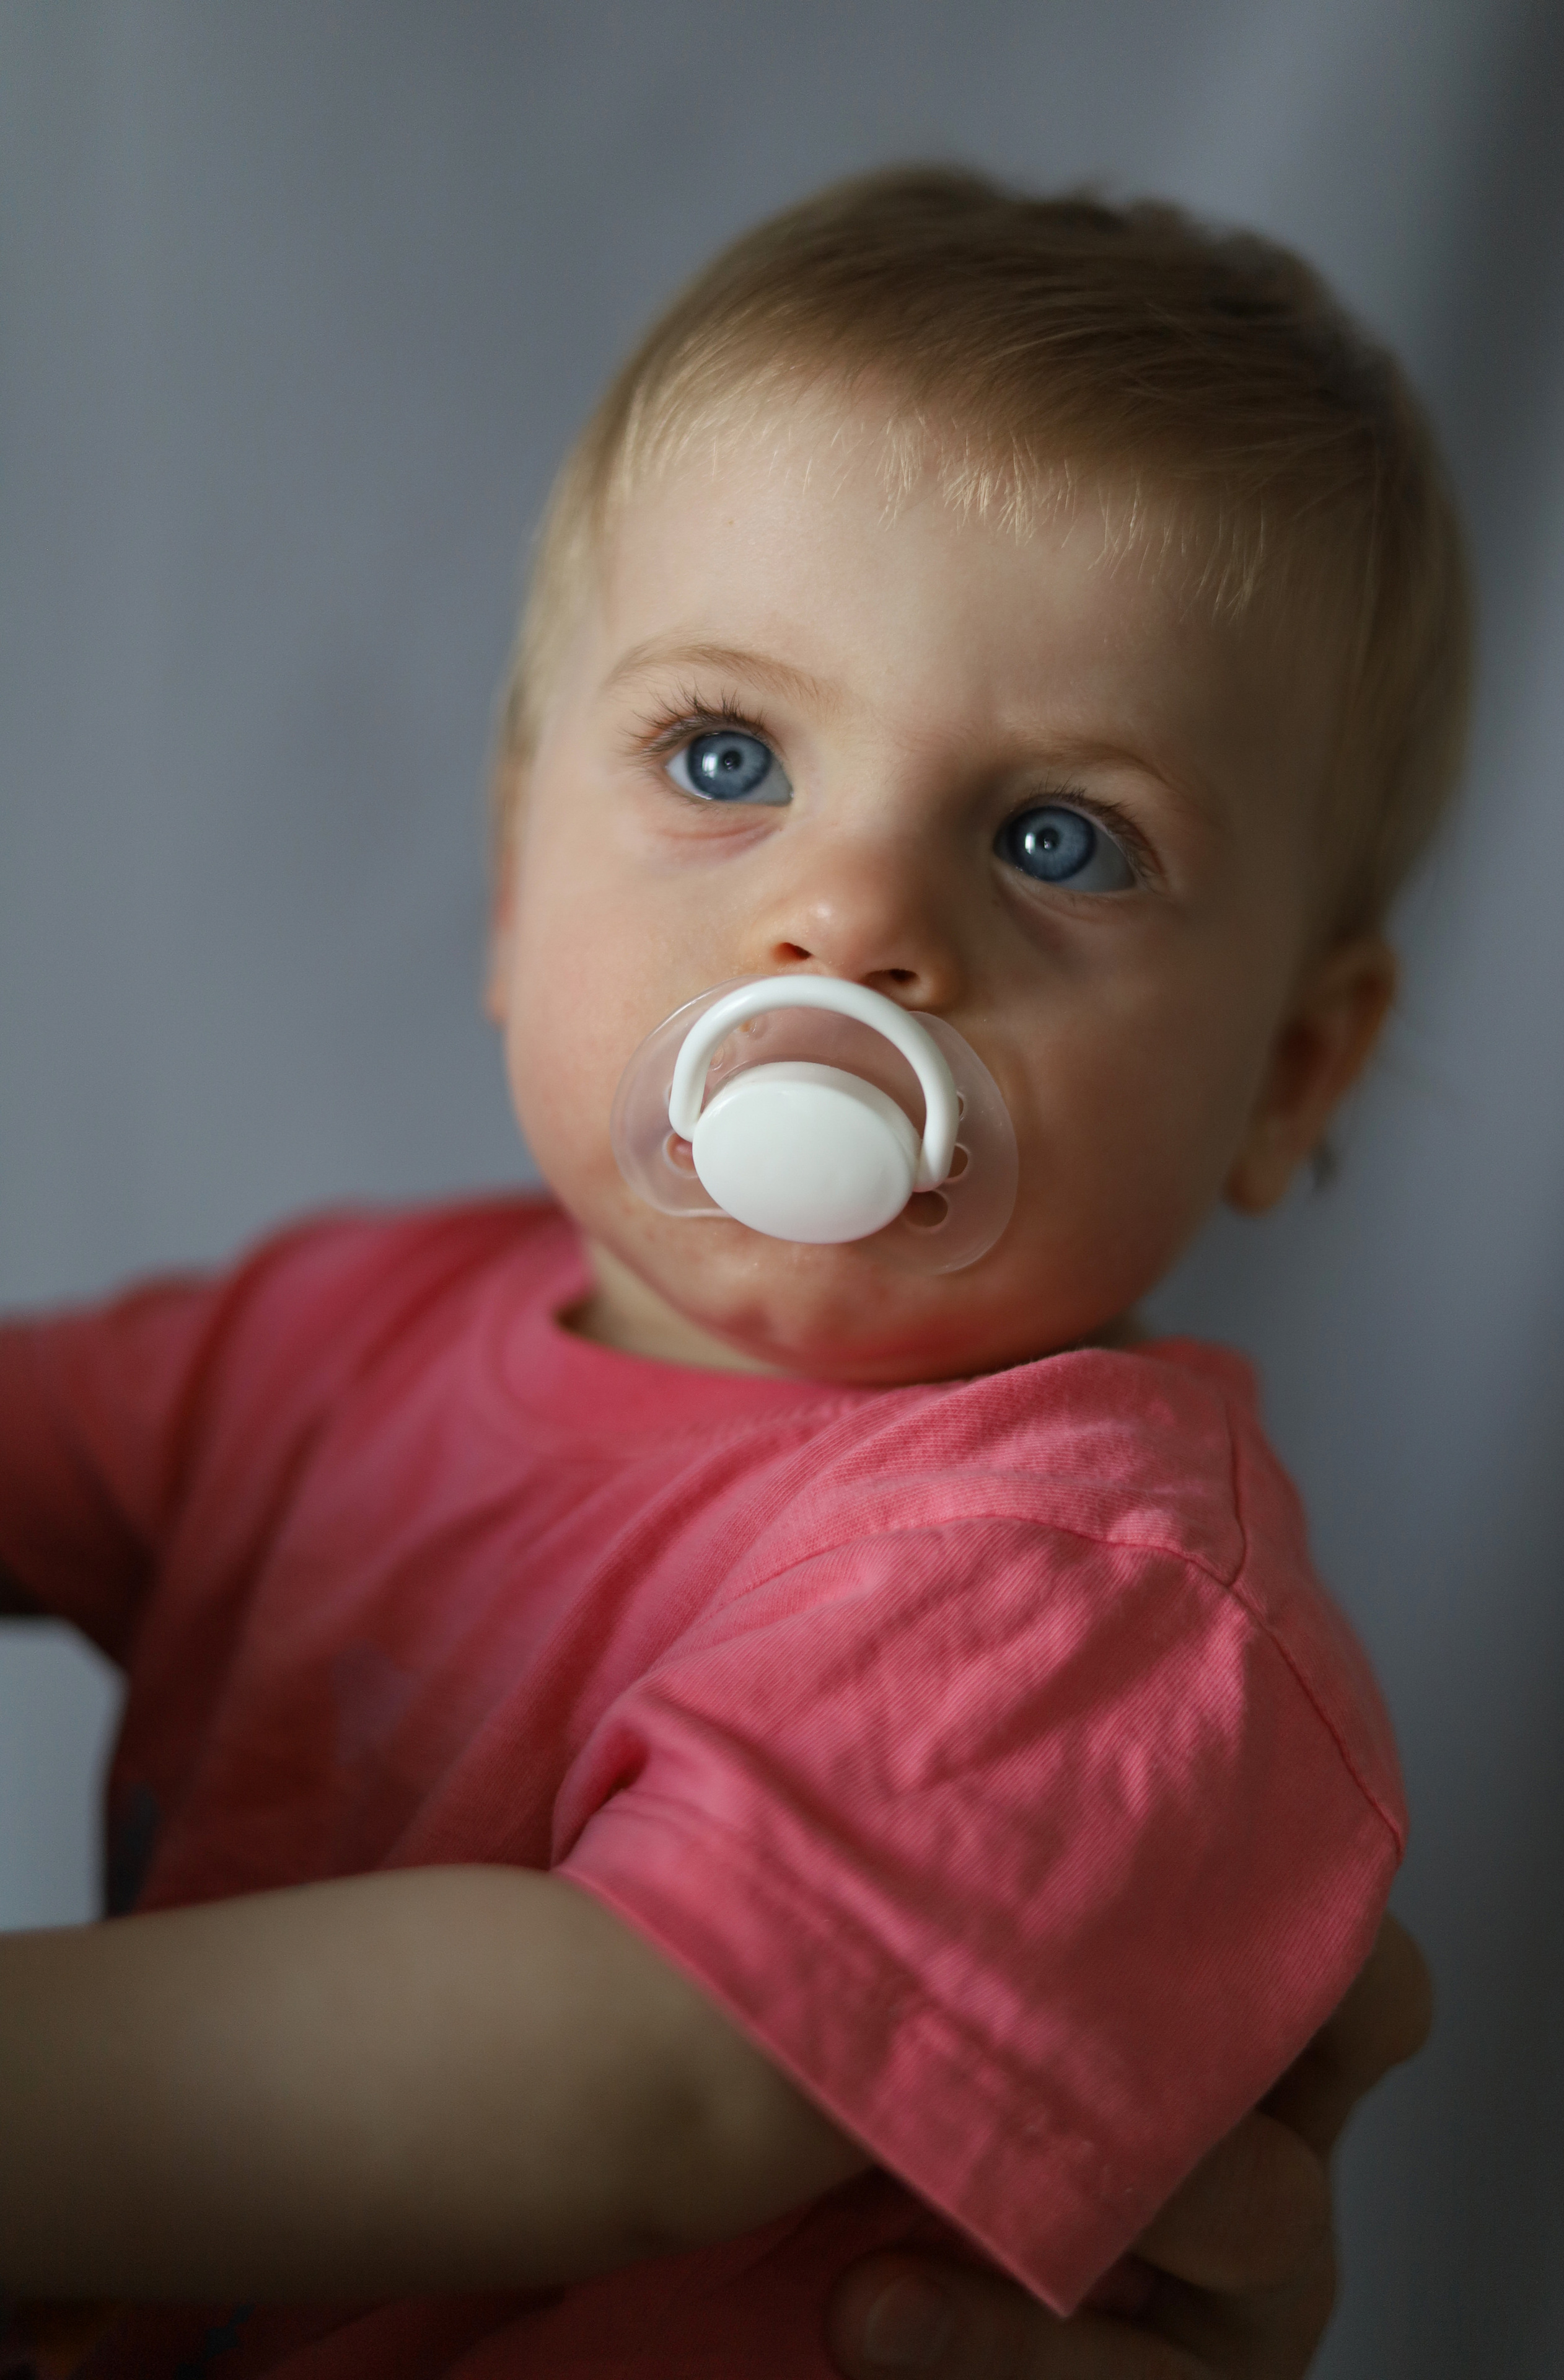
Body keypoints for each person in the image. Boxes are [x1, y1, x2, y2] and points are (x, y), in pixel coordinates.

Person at [0, 170, 1467, 2377]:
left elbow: (637, 2077)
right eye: (726, 757)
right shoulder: (330, 1337)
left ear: (1290, 1068)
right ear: (513, 884)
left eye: (1058, 836)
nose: (853, 910)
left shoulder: (1101, 1593)